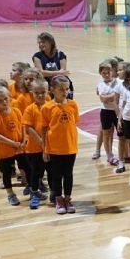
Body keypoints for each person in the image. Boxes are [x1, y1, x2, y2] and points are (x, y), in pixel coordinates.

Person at [41, 75, 79, 215]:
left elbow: (73, 124)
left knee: (68, 174)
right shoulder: (47, 107)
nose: (65, 92)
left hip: (70, 147)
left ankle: (68, 199)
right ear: (53, 90)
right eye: (61, 89)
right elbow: (44, 130)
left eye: (67, 89)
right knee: (57, 175)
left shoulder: (73, 105)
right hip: (54, 148)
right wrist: (44, 150)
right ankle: (58, 199)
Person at [0, 87, 28, 206]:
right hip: (5, 150)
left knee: (27, 167)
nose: (4, 102)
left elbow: (23, 126)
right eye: (0, 101)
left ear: (9, 97)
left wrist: (23, 141)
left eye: (5, 99)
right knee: (6, 172)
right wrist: (12, 143)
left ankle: (32, 188)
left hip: (20, 148)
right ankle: (10, 194)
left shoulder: (16, 111)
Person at [22, 79, 48, 208]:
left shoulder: (50, 106)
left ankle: (52, 193)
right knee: (35, 171)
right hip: (34, 147)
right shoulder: (29, 109)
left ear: (48, 92)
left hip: (49, 147)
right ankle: (34, 193)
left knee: (46, 170)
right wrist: (40, 140)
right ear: (32, 93)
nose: (40, 95)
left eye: (43, 92)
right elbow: (28, 127)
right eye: (37, 93)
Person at [33, 32, 74, 99]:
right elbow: (41, 73)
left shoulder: (60, 55)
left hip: (60, 84)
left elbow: (63, 72)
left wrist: (50, 73)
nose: (41, 44)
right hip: (46, 85)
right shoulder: (37, 56)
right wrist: (58, 72)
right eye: (39, 43)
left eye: (43, 42)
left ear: (51, 42)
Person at [94, 59, 120, 164]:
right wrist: (113, 96)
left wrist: (109, 96)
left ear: (112, 71)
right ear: (100, 73)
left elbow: (118, 95)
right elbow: (103, 99)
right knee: (106, 133)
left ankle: (123, 155)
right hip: (106, 111)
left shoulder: (118, 81)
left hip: (117, 111)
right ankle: (109, 155)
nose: (106, 75)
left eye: (108, 72)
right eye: (104, 73)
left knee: (121, 134)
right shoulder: (101, 84)